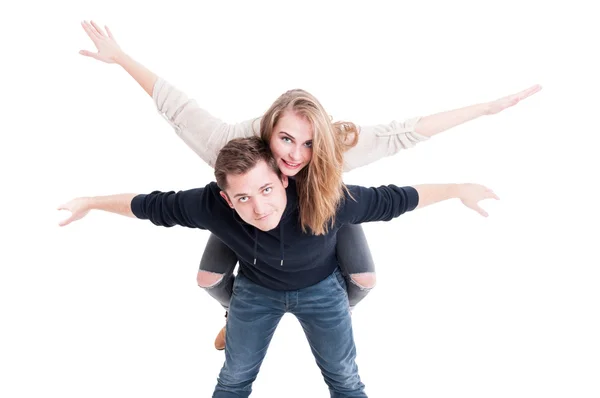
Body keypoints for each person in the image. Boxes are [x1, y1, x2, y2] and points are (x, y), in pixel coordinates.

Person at [78, 20, 540, 350]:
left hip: (323, 211)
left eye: (308, 143)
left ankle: (327, 306)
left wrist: (484, 111)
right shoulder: (232, 148)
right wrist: (120, 59)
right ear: (267, 130)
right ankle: (238, 314)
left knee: (364, 279)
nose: (296, 154)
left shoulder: (331, 157)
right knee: (208, 277)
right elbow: (177, 109)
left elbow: (407, 133)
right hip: (250, 222)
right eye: (285, 139)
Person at [58, 136, 499, 397]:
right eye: (244, 198)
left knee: (345, 377)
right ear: (227, 199)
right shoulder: (212, 205)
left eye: (267, 189)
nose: (260, 206)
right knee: (234, 377)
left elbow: (395, 198)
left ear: (284, 178)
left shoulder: (327, 198)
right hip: (256, 291)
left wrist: (459, 188)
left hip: (323, 289)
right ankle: (233, 318)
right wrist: (91, 203)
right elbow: (149, 205)